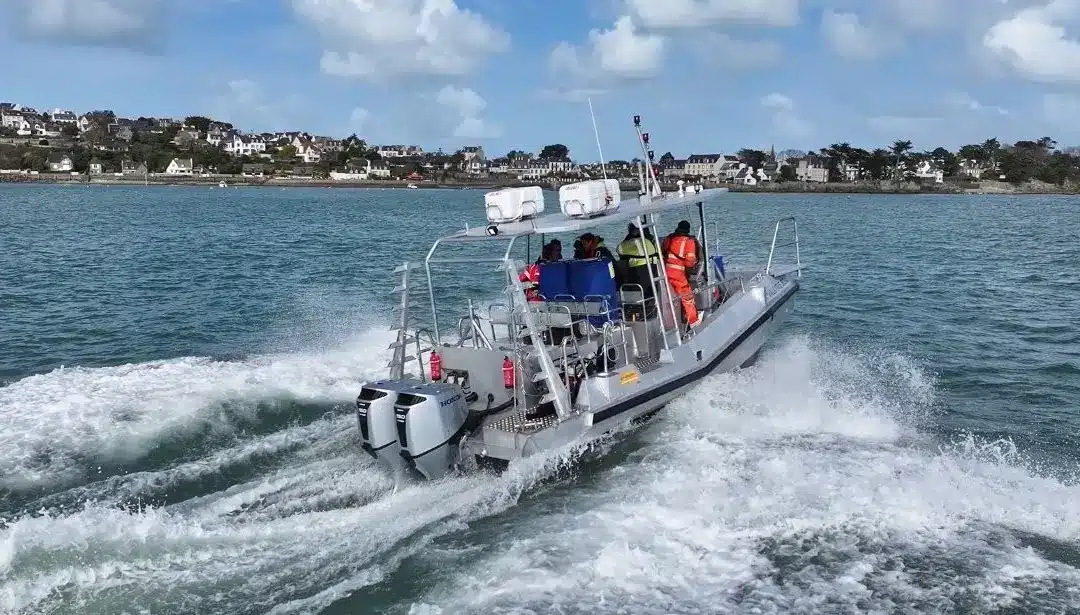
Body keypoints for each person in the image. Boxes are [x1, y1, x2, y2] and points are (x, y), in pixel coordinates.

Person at [661, 220, 700, 327]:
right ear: (688, 230)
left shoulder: (669, 238)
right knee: (687, 297)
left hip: (665, 272)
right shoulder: (689, 242)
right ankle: (693, 322)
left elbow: (663, 252)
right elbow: (690, 262)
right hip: (678, 274)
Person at [616, 221, 660, 297]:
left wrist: (628, 239)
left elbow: (619, 249)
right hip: (655, 270)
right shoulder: (652, 239)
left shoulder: (636, 242)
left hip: (640, 272)